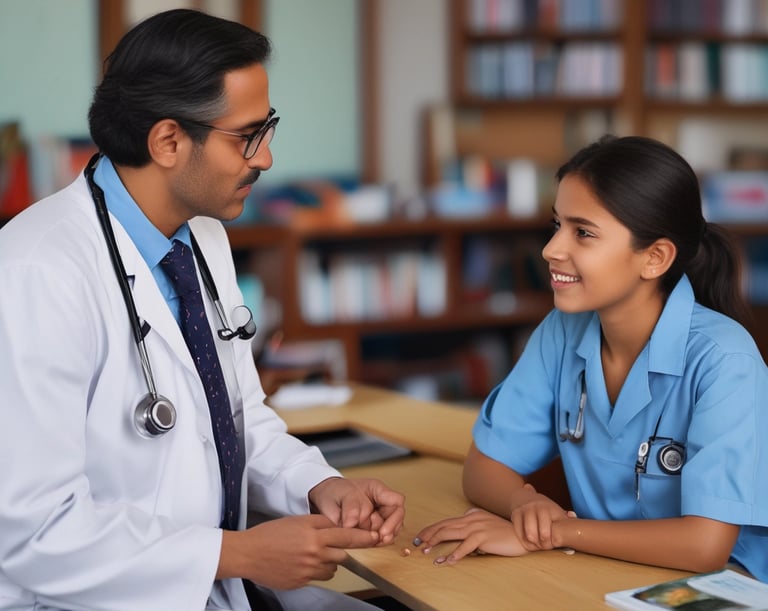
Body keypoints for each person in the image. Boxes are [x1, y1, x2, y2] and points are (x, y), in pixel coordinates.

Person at [0, 9, 405, 611]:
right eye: (247, 136)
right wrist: (235, 554)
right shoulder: (37, 272)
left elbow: (238, 419)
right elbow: (34, 532)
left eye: (267, 128)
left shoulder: (203, 236)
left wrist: (320, 484)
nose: (266, 158)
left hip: (216, 587)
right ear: (167, 140)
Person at [412, 135, 768, 583]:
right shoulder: (563, 331)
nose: (551, 249)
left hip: (724, 588)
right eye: (556, 224)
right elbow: (485, 467)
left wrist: (556, 532)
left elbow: (704, 546)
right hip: (601, 573)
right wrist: (526, 507)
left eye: (582, 232)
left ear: (654, 258)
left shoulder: (725, 360)